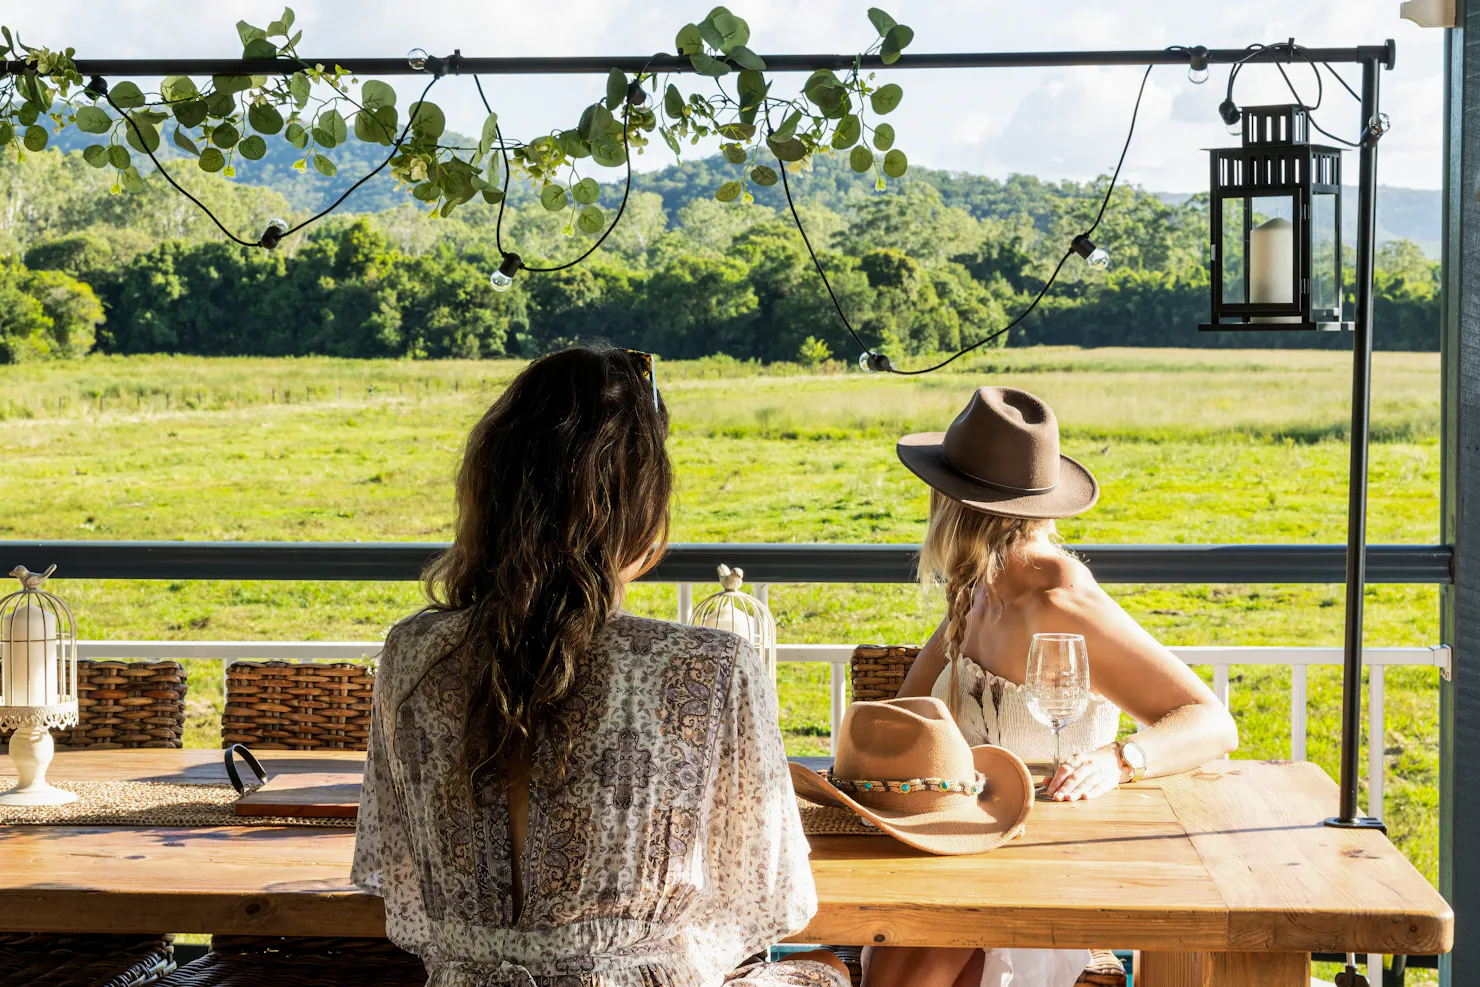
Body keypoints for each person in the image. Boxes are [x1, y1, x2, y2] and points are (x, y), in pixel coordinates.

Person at [353, 347, 849, 987]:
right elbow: (766, 903)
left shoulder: (412, 655)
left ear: (492, 496)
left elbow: (406, 894)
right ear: (645, 514)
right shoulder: (708, 666)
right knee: (828, 971)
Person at [864, 386, 1238, 987]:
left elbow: (1212, 721)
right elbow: (910, 714)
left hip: (1045, 868)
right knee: (895, 957)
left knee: (910, 968)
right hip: (959, 850)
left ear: (956, 505)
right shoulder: (976, 588)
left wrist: (1123, 759)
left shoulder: (1063, 600)